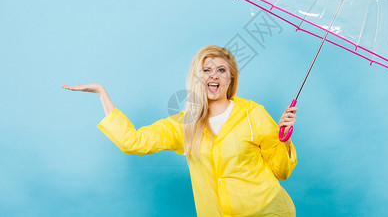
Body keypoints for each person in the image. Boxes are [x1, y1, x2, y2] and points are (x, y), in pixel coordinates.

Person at [62, 45, 298, 216]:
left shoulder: (252, 114)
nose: (213, 75)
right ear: (198, 78)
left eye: (221, 70)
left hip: (268, 211)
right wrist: (101, 94)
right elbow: (133, 142)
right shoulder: (185, 125)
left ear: (231, 77)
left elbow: (281, 170)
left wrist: (284, 141)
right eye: (207, 70)